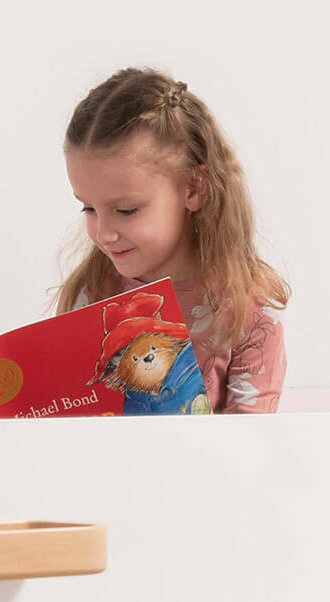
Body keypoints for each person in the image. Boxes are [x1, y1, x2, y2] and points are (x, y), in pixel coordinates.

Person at [58, 67, 289, 414]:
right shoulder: (94, 293)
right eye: (88, 208)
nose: (103, 234)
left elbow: (250, 443)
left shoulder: (248, 309)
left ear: (194, 188)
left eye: (126, 210)